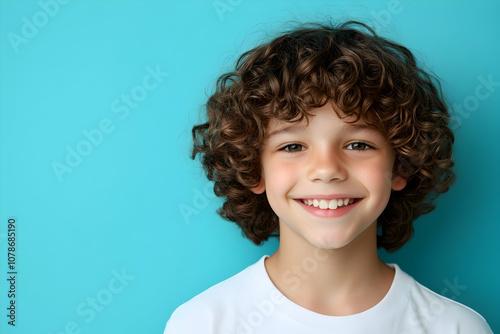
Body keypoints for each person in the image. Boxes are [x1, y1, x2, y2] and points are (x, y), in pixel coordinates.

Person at [164, 20, 493, 333]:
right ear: (253, 168)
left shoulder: (455, 327)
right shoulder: (201, 324)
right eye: (293, 146)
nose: (326, 169)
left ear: (402, 165)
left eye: (358, 144)